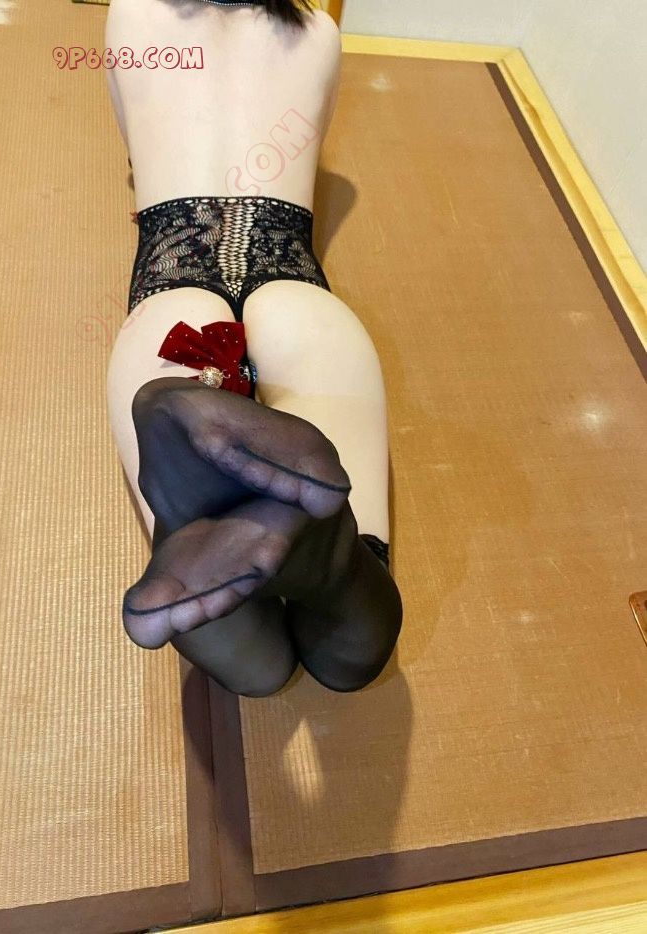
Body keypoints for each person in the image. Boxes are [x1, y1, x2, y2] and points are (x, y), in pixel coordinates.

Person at [105, 0, 402, 696]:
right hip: (296, 292)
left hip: (173, 292)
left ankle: (188, 497)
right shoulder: (321, 33)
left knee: (260, 674)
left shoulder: (132, 11)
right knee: (352, 652)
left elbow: (135, 145)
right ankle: (336, 559)